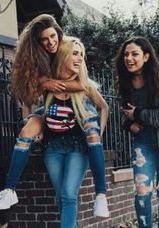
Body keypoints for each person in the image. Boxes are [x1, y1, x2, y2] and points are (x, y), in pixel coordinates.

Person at [0, 14, 109, 218]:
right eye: (44, 39)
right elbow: (28, 96)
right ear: (38, 42)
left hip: (76, 128)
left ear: (59, 33)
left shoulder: (70, 49)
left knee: (68, 194)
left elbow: (85, 86)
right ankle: (9, 190)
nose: (50, 42)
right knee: (27, 130)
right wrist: (43, 83)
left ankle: (101, 194)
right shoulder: (38, 61)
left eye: (52, 36)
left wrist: (52, 84)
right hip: (52, 124)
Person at [114, 36, 159, 228]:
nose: (129, 58)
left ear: (146, 57)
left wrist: (139, 114)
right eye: (126, 54)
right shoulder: (125, 82)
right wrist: (129, 125)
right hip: (143, 143)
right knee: (141, 190)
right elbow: (128, 114)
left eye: (134, 54)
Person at [42, 36, 109, 228]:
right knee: (61, 195)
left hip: (78, 148)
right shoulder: (49, 85)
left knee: (69, 194)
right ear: (63, 55)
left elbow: (104, 107)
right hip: (52, 147)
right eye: (75, 53)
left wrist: (98, 133)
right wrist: (32, 124)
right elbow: (27, 100)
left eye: (82, 55)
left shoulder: (85, 85)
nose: (80, 58)